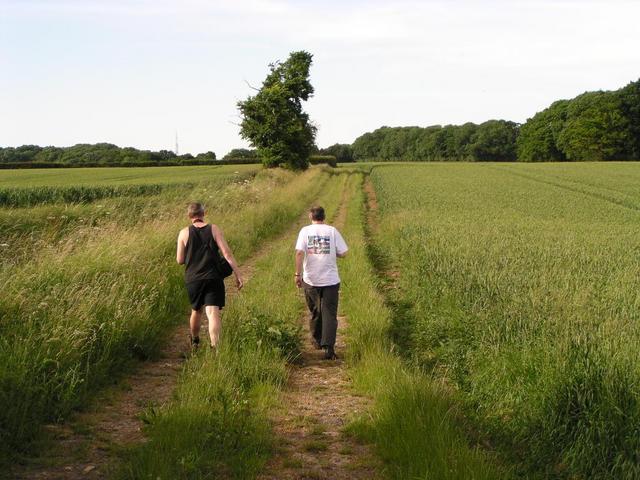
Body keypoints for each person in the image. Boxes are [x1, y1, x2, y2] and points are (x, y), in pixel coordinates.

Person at [176, 202, 243, 350]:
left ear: (189, 216)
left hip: (193, 279)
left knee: (196, 310)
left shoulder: (183, 233)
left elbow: (180, 260)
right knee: (213, 313)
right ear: (203, 214)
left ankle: (195, 341)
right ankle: (216, 349)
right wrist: (238, 274)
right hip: (213, 277)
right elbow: (227, 253)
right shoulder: (214, 229)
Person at [295, 206, 348, 360]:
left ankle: (317, 340)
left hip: (310, 279)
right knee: (330, 313)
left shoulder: (305, 231)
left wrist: (298, 274)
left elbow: (299, 252)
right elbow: (344, 252)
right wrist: (332, 252)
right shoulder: (332, 231)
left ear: (310, 216)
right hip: (331, 279)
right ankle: (329, 348)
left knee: (315, 310)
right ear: (324, 217)